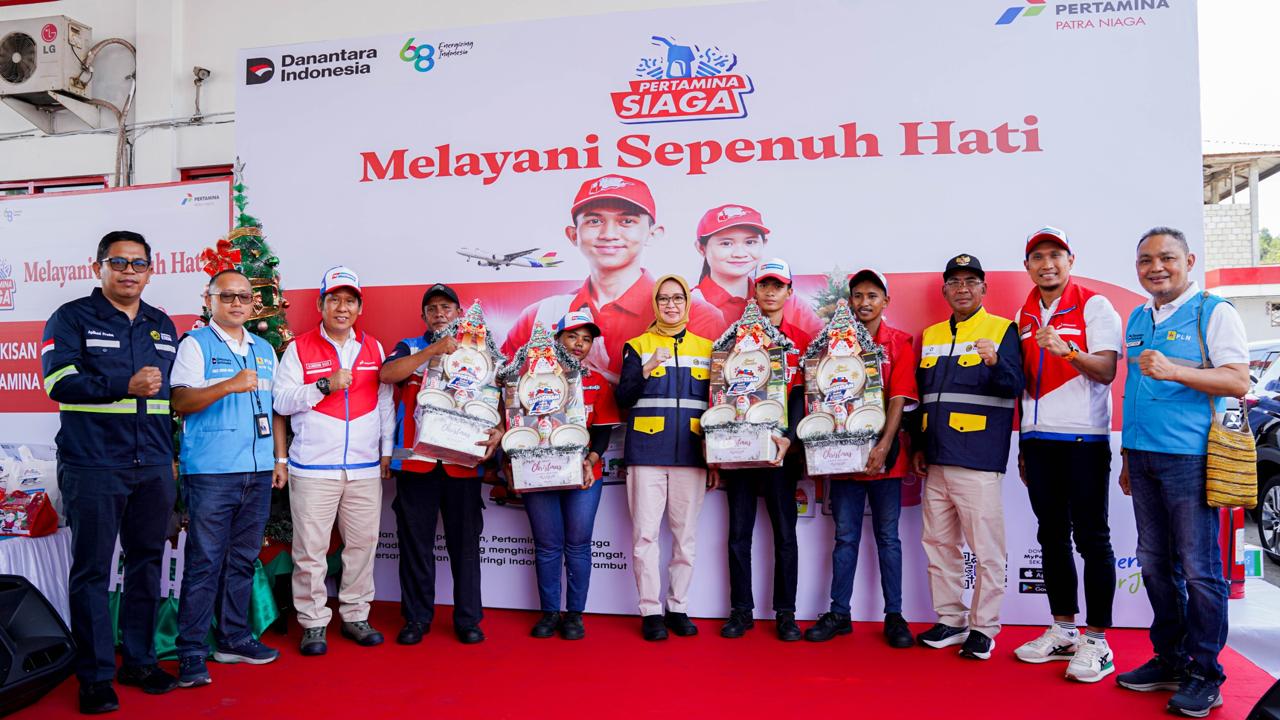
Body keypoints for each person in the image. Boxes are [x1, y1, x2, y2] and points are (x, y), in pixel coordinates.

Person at [41, 230, 180, 713]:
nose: (128, 272)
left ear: (150, 271)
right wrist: (124, 384)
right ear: (98, 266)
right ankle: (96, 676)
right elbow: (58, 382)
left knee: (146, 564)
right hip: (94, 464)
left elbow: (169, 397)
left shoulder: (162, 325)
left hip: (153, 464)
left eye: (138, 264)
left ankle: (139, 661)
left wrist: (171, 456)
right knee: (93, 572)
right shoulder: (71, 317)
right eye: (118, 262)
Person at [1116, 227, 1249, 718]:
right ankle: (1170, 659)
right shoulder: (1138, 317)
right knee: (1154, 564)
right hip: (1142, 457)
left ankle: (1205, 673)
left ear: (1189, 261)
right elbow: (1134, 390)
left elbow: (1237, 380)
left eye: (1167, 258)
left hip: (1190, 459)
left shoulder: (1214, 311)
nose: (1156, 268)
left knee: (1199, 569)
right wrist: (1127, 457)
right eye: (1146, 260)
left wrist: (1175, 370)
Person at [1011, 227, 1123, 682]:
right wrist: (1024, 444)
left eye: (1055, 255)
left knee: (1092, 539)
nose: (1047, 264)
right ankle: (1063, 629)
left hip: (1084, 441)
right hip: (1038, 441)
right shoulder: (1023, 313)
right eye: (1038, 256)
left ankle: (1097, 640)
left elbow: (1107, 370)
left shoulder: (1095, 305)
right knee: (1051, 537)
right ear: (1027, 266)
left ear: (1070, 260)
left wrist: (1069, 350)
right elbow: (1023, 386)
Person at [273, 266, 394, 656]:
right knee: (310, 550)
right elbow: (281, 401)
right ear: (320, 304)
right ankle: (312, 622)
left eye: (350, 301)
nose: (342, 308)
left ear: (359, 307)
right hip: (313, 468)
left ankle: (356, 614)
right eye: (335, 300)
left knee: (362, 546)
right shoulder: (299, 348)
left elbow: (385, 403)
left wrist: (386, 450)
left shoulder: (373, 348)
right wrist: (323, 385)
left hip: (363, 468)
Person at [170, 269, 284, 688]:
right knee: (204, 563)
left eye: (244, 296)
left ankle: (233, 639)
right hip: (212, 473)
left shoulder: (264, 349)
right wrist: (229, 385)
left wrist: (279, 459)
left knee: (242, 560)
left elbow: (274, 409)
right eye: (227, 296)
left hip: (257, 471)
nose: (237, 303)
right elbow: (180, 400)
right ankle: (191, 651)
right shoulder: (195, 344)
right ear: (210, 300)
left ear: (254, 303)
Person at [501, 174, 724, 383]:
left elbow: (717, 389)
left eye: (627, 221)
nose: (608, 234)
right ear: (573, 234)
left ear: (653, 233)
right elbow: (502, 384)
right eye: (594, 221)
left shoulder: (698, 315)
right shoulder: (539, 316)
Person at [911, 253, 1024, 661]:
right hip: (936, 459)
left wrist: (995, 361)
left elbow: (1015, 386)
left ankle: (984, 627)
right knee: (939, 546)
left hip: (978, 460)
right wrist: (919, 445)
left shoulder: (1002, 329)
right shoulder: (931, 334)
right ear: (945, 290)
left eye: (971, 281)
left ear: (983, 289)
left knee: (987, 550)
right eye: (955, 282)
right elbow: (923, 397)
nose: (963, 288)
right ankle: (951, 620)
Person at [380, 283, 501, 646]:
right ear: (423, 316)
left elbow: (504, 398)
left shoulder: (483, 352)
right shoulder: (410, 346)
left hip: (463, 464)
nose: (439, 313)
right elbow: (387, 374)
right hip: (416, 464)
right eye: (432, 308)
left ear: (459, 313)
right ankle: (416, 618)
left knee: (465, 547)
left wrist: (500, 431)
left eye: (446, 307)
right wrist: (433, 350)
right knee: (415, 545)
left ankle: (468, 619)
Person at [805, 268, 918, 649]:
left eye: (872, 295)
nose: (864, 302)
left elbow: (899, 397)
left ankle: (895, 616)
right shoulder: (831, 345)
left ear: (886, 301)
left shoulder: (899, 342)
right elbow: (819, 396)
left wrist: (883, 445)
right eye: (858, 295)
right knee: (845, 538)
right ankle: (839, 613)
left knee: (888, 538)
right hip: (842, 459)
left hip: (886, 459)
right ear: (849, 301)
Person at [615, 275, 713, 641]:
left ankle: (678, 607)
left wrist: (715, 458)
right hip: (646, 454)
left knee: (685, 538)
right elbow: (623, 398)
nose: (671, 304)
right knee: (645, 536)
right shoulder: (637, 345)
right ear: (655, 304)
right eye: (664, 298)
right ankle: (650, 611)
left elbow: (717, 405)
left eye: (677, 298)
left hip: (691, 453)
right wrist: (645, 369)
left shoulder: (707, 348)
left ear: (687, 302)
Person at [712, 259, 805, 642]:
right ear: (755, 291)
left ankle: (786, 613)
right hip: (739, 450)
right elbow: (719, 393)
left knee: (785, 533)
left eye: (777, 285)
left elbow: (803, 395)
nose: (770, 291)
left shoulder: (800, 340)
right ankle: (741, 610)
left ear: (789, 292)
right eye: (764, 284)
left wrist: (790, 437)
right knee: (738, 534)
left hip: (781, 452)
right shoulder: (731, 340)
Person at [520, 309, 622, 640]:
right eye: (572, 336)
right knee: (548, 545)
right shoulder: (529, 379)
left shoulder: (596, 381)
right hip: (540, 472)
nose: (579, 344)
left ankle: (575, 615)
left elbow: (603, 431)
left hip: (583, 475)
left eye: (586, 339)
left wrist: (590, 459)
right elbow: (518, 426)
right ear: (557, 338)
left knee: (578, 545)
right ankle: (550, 613)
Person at [689, 204, 824, 339]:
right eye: (726, 243)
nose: (740, 254)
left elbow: (824, 344)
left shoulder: (786, 300)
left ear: (764, 243)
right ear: (701, 248)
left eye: (750, 242)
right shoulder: (689, 304)